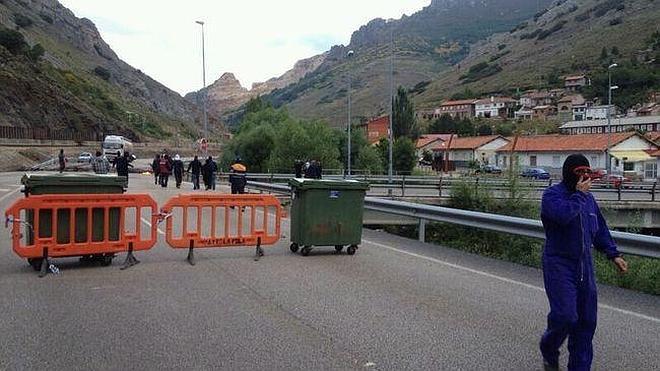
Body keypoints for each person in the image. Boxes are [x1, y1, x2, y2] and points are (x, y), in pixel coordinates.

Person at [539, 154, 628, 371]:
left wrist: (613, 254)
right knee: (565, 315)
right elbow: (562, 216)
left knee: (586, 323)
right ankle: (549, 349)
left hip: (584, 266)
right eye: (580, 172)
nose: (585, 176)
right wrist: (579, 196)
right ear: (569, 173)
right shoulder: (552, 195)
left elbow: (599, 230)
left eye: (587, 172)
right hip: (559, 263)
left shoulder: (589, 200)